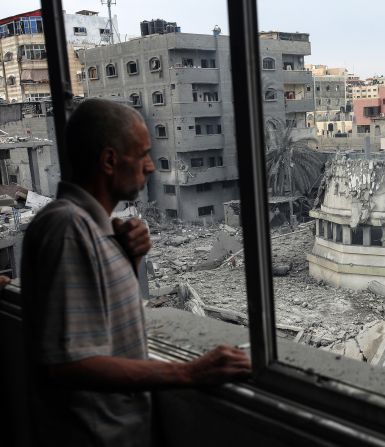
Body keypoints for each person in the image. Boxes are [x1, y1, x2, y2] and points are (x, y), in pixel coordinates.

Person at [21, 98, 251, 446]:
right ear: (110, 160)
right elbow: (69, 364)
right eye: (142, 154)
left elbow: (106, 319)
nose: (150, 167)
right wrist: (189, 372)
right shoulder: (68, 229)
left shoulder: (93, 229)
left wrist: (131, 258)